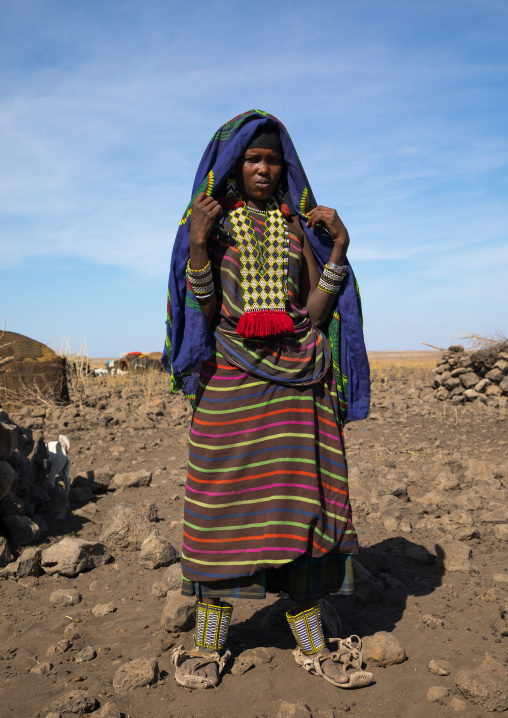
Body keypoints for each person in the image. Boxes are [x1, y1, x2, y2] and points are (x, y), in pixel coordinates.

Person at [162, 110, 371, 690]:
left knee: (301, 512)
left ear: (284, 168)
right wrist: (200, 241)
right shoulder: (214, 225)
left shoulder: (295, 228)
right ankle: (209, 640)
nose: (261, 168)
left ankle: (311, 638)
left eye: (271, 159)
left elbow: (316, 312)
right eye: (252, 158)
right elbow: (205, 316)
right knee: (218, 509)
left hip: (297, 388)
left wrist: (337, 250)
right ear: (234, 164)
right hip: (232, 386)